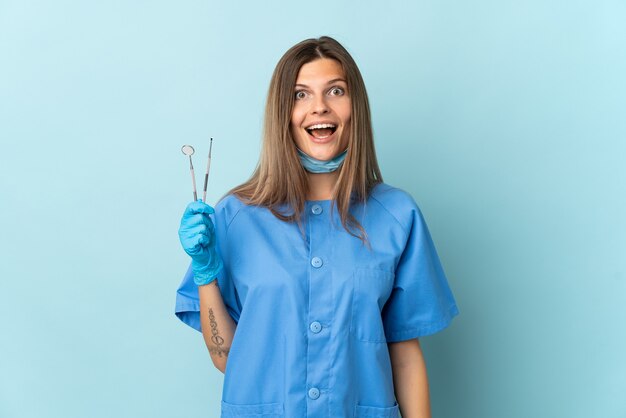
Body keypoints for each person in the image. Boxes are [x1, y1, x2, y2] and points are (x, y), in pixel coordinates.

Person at [175, 35, 459, 418]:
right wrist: (207, 275)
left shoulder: (397, 216)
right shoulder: (235, 216)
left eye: (335, 91)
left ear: (354, 107)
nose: (319, 107)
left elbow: (405, 356)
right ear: (282, 114)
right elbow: (226, 358)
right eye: (300, 95)